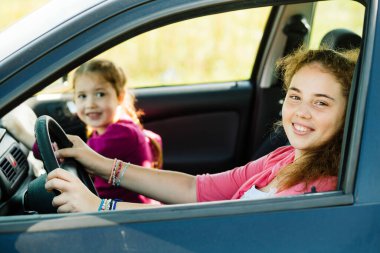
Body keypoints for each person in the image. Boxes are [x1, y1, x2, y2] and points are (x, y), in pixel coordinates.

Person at [44, 47, 358, 213]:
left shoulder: (317, 189)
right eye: (295, 96)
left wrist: (99, 207)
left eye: (321, 103)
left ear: (349, 113)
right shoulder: (284, 157)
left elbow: (221, 230)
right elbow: (197, 190)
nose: (301, 112)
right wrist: (95, 160)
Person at [39, 59, 163, 204]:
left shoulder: (122, 134)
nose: (90, 104)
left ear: (120, 97)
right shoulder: (103, 132)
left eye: (100, 94)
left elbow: (72, 155)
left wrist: (27, 136)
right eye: (82, 96)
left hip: (128, 216)